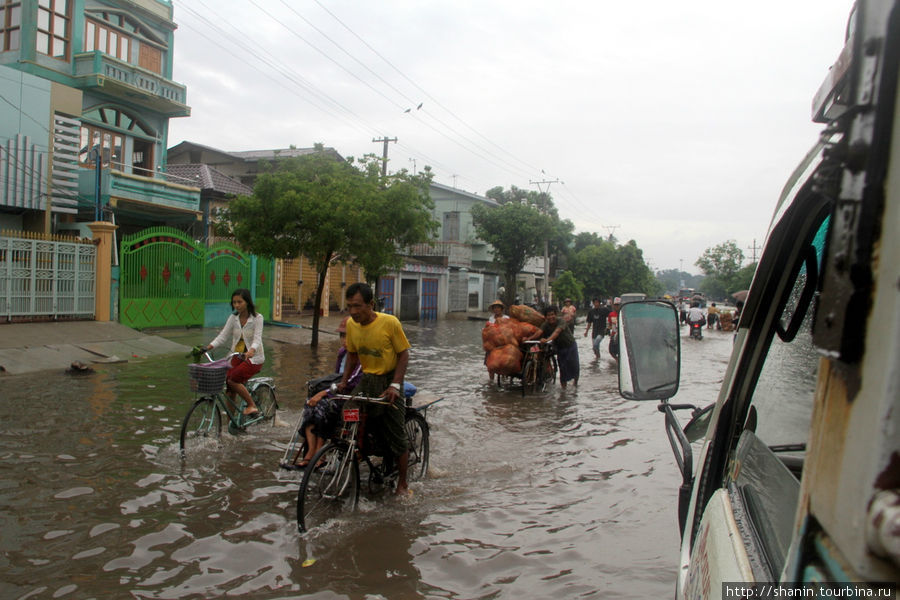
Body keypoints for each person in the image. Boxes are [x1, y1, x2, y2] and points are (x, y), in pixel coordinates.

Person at [337, 282, 412, 496]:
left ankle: (403, 485)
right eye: (350, 306)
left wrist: (395, 385)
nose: (353, 311)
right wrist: (344, 381)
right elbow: (352, 355)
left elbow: (404, 354)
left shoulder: (390, 323)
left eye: (358, 306)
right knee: (347, 412)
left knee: (397, 434)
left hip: (389, 380)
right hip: (367, 380)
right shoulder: (351, 325)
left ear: (371, 304)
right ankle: (356, 449)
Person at [294, 316, 362, 467]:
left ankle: (320, 453)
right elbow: (336, 377)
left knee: (322, 407)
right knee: (309, 405)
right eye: (341, 335)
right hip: (336, 392)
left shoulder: (362, 355)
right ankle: (311, 451)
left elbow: (352, 382)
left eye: (347, 335)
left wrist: (324, 394)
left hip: (351, 396)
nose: (344, 340)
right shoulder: (342, 353)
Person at [204, 288, 265, 417]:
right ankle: (231, 423)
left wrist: (251, 351)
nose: (236, 305)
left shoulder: (257, 318)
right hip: (236, 356)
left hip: (254, 358)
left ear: (247, 302)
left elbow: (257, 338)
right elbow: (223, 336)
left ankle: (251, 405)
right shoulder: (233, 318)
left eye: (239, 302)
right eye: (234, 302)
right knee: (230, 390)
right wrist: (207, 348)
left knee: (233, 380)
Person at [528, 304, 579, 388]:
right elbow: (539, 332)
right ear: (546, 317)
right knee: (563, 369)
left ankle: (575, 383)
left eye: (552, 314)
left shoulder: (561, 321)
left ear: (556, 315)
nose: (551, 317)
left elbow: (557, 332)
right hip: (560, 348)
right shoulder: (545, 324)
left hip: (570, 346)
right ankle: (564, 390)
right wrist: (529, 338)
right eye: (548, 315)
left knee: (574, 366)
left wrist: (547, 340)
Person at [485, 299, 510, 383]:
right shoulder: (491, 318)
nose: (496, 309)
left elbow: (508, 330)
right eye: (495, 308)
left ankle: (503, 378)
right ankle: (491, 381)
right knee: (490, 364)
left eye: (498, 308)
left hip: (503, 343)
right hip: (492, 344)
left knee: (503, 363)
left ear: (501, 309)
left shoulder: (506, 318)